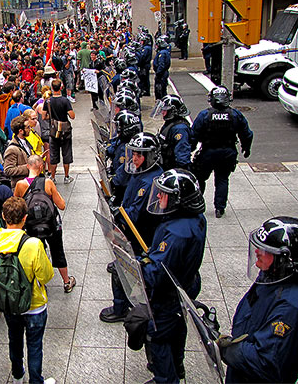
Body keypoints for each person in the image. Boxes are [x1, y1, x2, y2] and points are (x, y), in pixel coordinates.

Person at [220, 216, 298, 383]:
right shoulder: (275, 274)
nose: (257, 252)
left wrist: (228, 350)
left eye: (266, 250)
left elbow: (265, 361)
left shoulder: (292, 306)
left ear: (285, 260)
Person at [142, 168, 207, 383]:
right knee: (178, 328)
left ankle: (166, 378)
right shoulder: (194, 218)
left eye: (164, 193)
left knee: (157, 335)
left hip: (167, 294)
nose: (159, 196)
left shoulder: (178, 233)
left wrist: (140, 265)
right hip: (185, 283)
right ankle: (177, 366)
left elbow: (159, 274)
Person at [0, 197, 55, 384]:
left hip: (8, 302)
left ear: (4, 217)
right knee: (35, 345)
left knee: (14, 339)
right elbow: (46, 276)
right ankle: (36, 380)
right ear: (25, 218)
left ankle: (17, 375)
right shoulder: (33, 244)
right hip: (34, 304)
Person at [100, 133, 163, 323]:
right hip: (135, 229)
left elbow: (135, 213)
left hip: (140, 233)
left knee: (123, 267)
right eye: (133, 154)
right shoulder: (141, 172)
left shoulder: (149, 180)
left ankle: (121, 307)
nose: (134, 158)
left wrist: (119, 213)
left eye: (139, 155)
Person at [14, 155, 76, 293]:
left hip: (31, 227)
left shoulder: (20, 185)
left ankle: (39, 283)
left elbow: (16, 207)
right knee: (58, 251)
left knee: (36, 253)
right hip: (52, 226)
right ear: (41, 167)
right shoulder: (48, 183)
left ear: (27, 166)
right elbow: (62, 205)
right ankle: (66, 282)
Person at [191, 85, 253, 218]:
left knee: (200, 179)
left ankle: (196, 204)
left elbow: (193, 135)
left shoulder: (204, 115)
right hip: (227, 152)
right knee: (222, 179)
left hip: (207, 153)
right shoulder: (235, 115)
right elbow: (247, 134)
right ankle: (220, 208)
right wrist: (246, 148)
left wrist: (190, 149)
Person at [44, 79, 75, 184]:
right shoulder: (65, 101)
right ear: (61, 87)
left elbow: (44, 116)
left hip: (53, 131)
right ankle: (66, 176)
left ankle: (53, 177)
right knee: (66, 153)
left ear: (52, 88)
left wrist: (52, 117)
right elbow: (72, 116)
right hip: (65, 131)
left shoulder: (48, 101)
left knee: (54, 154)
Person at [156, 94, 192, 171]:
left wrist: (181, 171)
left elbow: (182, 154)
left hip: (173, 167)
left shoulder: (180, 129)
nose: (162, 112)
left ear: (172, 111)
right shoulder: (170, 124)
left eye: (164, 110)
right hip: (166, 164)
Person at [4, 116, 33, 187]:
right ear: (20, 131)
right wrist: (29, 167)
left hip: (29, 183)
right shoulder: (12, 149)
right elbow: (8, 170)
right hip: (20, 186)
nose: (30, 129)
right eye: (28, 127)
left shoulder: (25, 142)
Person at [153, 35, 171, 100]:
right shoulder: (164, 52)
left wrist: (158, 73)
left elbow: (161, 65)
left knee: (160, 90)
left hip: (161, 74)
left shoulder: (162, 53)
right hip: (163, 73)